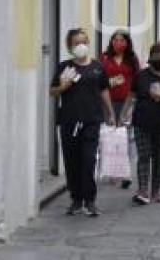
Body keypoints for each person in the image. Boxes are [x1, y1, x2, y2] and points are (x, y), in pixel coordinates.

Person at [49, 28, 114, 217]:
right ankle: (76, 199)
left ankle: (90, 200)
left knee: (88, 159)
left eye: (84, 41)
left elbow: (104, 90)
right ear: (70, 46)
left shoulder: (97, 67)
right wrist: (63, 85)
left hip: (91, 120)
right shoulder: (64, 67)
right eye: (76, 42)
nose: (81, 46)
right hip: (69, 120)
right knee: (72, 162)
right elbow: (52, 92)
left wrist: (110, 112)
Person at [123, 43, 160, 205]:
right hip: (141, 122)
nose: (159, 59)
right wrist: (124, 114)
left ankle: (155, 191)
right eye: (156, 56)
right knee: (144, 156)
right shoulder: (141, 76)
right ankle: (143, 190)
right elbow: (131, 96)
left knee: (159, 158)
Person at [99, 29, 140, 190]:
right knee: (110, 134)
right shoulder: (104, 58)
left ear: (127, 43)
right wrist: (111, 82)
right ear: (111, 42)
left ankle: (125, 172)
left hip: (127, 101)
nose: (118, 43)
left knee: (125, 136)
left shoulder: (132, 59)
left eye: (122, 40)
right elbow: (99, 80)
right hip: (107, 101)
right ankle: (111, 169)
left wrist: (132, 105)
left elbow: (137, 80)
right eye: (115, 40)